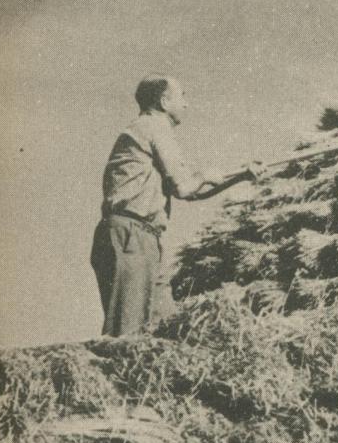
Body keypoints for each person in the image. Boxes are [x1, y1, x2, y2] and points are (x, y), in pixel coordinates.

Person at [91, 76, 259, 336]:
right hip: (130, 236)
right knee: (128, 331)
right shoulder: (153, 127)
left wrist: (239, 176)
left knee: (164, 327)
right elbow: (185, 187)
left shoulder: (149, 130)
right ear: (164, 101)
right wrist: (203, 175)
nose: (187, 104)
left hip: (143, 236)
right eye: (182, 96)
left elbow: (189, 192)